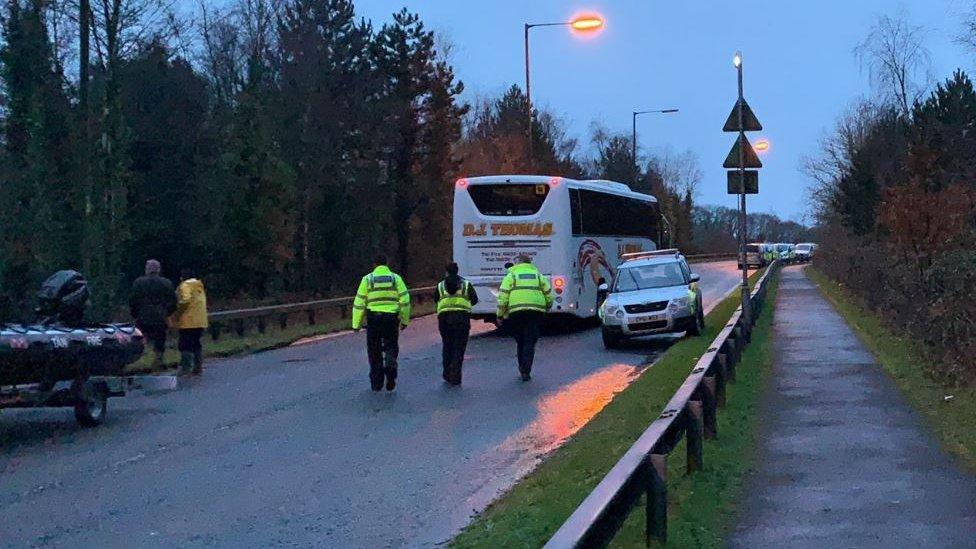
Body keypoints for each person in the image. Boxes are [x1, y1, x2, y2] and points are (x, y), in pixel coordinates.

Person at [352, 255, 411, 392]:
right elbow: (405, 301)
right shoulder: (396, 279)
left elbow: (359, 302)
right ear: (386, 263)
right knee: (391, 345)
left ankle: (377, 382)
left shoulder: (367, 280)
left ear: (374, 264)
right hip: (391, 318)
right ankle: (390, 366)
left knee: (374, 350)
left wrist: (356, 324)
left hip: (374, 319)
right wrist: (404, 320)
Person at [496, 255, 552, 381]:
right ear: (529, 263)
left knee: (520, 340)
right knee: (530, 341)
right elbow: (549, 294)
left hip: (516, 312)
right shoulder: (538, 276)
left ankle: (522, 366)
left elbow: (503, 297)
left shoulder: (511, 276)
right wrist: (547, 307)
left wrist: (500, 315)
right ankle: (526, 369)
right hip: (535, 312)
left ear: (517, 263)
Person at [434, 262, 478, 386]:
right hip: (461, 318)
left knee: (447, 345)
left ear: (446, 272)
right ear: (457, 271)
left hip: (444, 318)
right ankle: (456, 376)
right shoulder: (466, 284)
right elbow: (474, 300)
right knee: (459, 347)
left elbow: (436, 299)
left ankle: (447, 373)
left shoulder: (440, 285)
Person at [129, 259, 176, 367]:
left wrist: (135, 314)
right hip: (160, 317)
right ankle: (158, 360)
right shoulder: (167, 283)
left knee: (141, 339)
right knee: (160, 339)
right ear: (158, 270)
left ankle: (139, 360)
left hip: (143, 316)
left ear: (147, 269)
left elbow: (133, 300)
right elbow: (173, 301)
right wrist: (167, 313)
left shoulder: (138, 282)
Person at [171, 268, 208, 376]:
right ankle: (198, 367)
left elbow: (185, 299)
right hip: (200, 320)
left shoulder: (185, 285)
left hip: (188, 321)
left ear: (182, 277)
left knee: (184, 345)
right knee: (196, 343)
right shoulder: (199, 286)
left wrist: (178, 313)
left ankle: (185, 368)